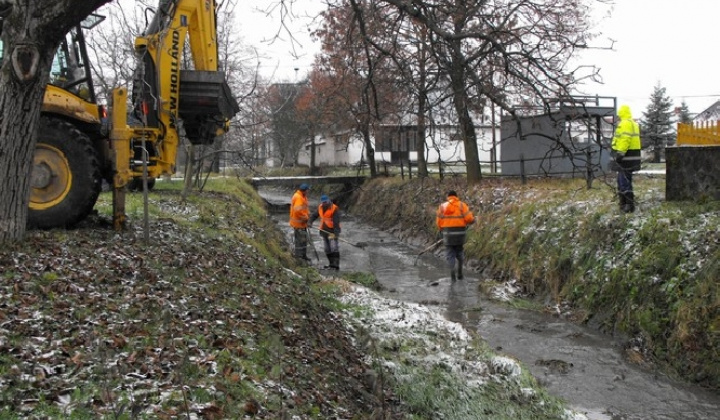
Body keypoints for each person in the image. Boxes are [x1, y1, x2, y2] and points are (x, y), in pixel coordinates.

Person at [436, 190, 475, 281]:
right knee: (459, 251)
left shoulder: (442, 206)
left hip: (448, 234)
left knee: (450, 253)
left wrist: (441, 229)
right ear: (456, 196)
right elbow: (469, 219)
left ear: (448, 197)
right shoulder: (462, 205)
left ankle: (452, 272)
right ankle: (460, 273)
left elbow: (438, 222)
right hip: (460, 233)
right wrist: (473, 221)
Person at [611, 105, 642, 213]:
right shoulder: (634, 124)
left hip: (626, 156)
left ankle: (627, 204)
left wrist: (620, 153)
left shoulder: (624, 124)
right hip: (633, 155)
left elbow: (625, 139)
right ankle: (625, 203)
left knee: (623, 180)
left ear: (621, 114)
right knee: (625, 179)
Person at [309, 194, 341, 270]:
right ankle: (331, 264)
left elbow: (336, 222)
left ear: (329, 200)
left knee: (334, 247)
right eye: (323, 202)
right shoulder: (320, 207)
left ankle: (336, 265)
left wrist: (336, 233)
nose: (324, 204)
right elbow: (314, 215)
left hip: (332, 232)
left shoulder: (334, 209)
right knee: (327, 249)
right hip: (324, 232)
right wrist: (310, 222)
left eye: (325, 202)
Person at [289, 183, 311, 262]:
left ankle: (303, 256)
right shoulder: (298, 197)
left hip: (301, 223)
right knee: (300, 241)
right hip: (299, 224)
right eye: (308, 189)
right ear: (304, 190)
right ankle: (299, 257)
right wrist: (306, 218)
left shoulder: (302, 196)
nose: (309, 191)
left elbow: (304, 208)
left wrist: (308, 215)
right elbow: (298, 211)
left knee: (303, 240)